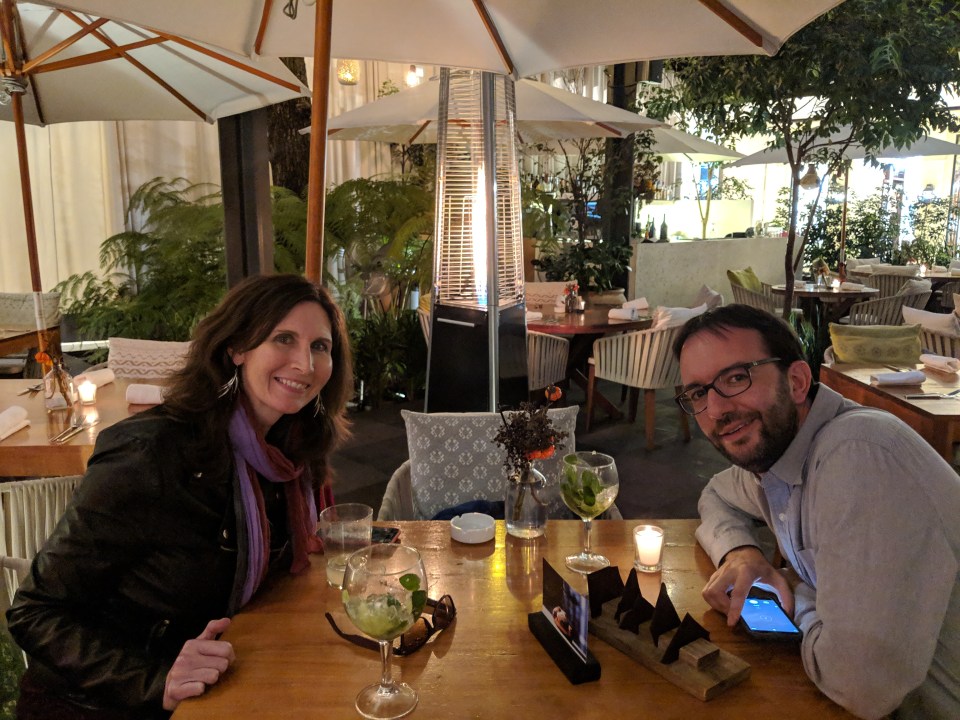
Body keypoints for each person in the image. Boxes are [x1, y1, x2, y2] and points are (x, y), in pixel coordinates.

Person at [8, 274, 353, 719]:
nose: (304, 364)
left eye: (320, 346)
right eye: (283, 339)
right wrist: (156, 681)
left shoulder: (288, 454)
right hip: (103, 705)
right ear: (237, 347)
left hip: (222, 677)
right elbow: (35, 612)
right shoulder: (151, 453)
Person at [672, 304, 960, 720]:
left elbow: (862, 687)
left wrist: (794, 593)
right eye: (699, 393)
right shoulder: (775, 459)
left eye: (736, 378)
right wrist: (741, 553)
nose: (716, 410)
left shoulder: (858, 456)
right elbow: (716, 494)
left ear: (796, 381)